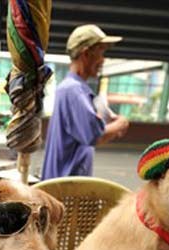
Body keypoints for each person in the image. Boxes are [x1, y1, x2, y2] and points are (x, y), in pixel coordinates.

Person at [41, 25, 129, 179]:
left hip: (65, 181)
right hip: (67, 185)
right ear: (86, 53)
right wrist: (120, 124)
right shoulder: (74, 91)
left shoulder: (74, 88)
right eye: (101, 52)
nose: (103, 60)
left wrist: (110, 126)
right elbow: (94, 136)